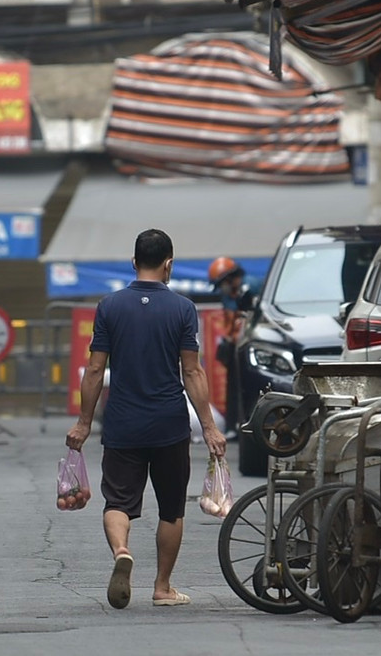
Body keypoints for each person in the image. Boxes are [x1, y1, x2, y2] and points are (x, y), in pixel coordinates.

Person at [66, 229, 227, 610]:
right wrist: (209, 426)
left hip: (122, 422)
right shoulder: (183, 309)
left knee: (117, 503)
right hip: (169, 424)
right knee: (171, 508)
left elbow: (94, 370)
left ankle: (122, 550)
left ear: (134, 263)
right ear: (168, 264)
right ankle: (162, 587)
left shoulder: (109, 306)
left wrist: (84, 423)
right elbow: (193, 373)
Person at [207, 256, 255, 437]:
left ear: (229, 278)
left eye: (221, 283)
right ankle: (232, 426)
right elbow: (230, 320)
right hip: (236, 345)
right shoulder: (228, 296)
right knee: (232, 386)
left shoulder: (252, 286)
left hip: (252, 344)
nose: (222, 288)